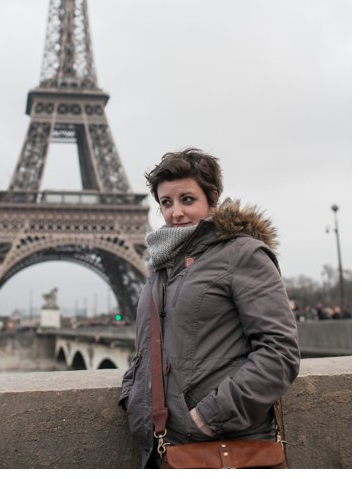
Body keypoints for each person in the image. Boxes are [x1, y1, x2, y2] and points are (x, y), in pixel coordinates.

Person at [119, 148, 300, 468]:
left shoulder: (242, 254)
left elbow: (280, 352)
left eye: (187, 199)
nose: (176, 212)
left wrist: (206, 417)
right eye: (166, 202)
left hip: (225, 444)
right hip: (162, 446)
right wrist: (133, 398)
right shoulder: (161, 268)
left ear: (212, 197)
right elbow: (149, 347)